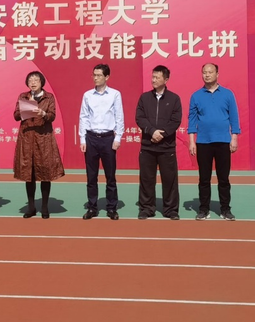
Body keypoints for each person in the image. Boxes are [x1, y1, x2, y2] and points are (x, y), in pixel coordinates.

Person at [188, 63, 241, 221]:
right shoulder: (196, 96)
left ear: (217, 74)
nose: (207, 75)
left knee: (223, 178)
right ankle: (203, 209)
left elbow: (234, 117)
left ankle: (225, 209)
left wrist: (234, 137)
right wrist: (192, 141)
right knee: (204, 178)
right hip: (203, 142)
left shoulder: (228, 94)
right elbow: (192, 120)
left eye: (210, 72)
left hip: (223, 141)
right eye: (204, 72)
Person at [13, 71, 65, 219]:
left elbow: (52, 116)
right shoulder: (23, 96)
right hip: (27, 138)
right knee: (29, 174)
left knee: (45, 173)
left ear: (42, 82)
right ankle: (31, 207)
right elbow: (15, 115)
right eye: (30, 80)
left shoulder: (49, 97)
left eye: (36, 80)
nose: (33, 82)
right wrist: (25, 109)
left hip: (43, 139)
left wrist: (43, 114)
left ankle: (44, 207)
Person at [135, 65, 182, 220]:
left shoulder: (174, 99)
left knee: (170, 180)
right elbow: (140, 118)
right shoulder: (144, 98)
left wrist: (162, 134)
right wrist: (151, 131)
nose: (153, 80)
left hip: (166, 147)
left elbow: (175, 120)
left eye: (157, 77)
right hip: (148, 146)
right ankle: (146, 208)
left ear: (166, 80)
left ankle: (171, 210)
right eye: (153, 77)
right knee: (146, 179)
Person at [79, 63, 124, 220]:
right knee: (91, 176)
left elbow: (119, 116)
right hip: (91, 138)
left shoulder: (115, 94)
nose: (95, 78)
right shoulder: (87, 95)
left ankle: (111, 208)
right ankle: (92, 207)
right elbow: (83, 117)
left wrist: (118, 137)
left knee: (110, 176)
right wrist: (82, 138)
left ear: (107, 77)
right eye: (94, 75)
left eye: (99, 75)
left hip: (108, 138)